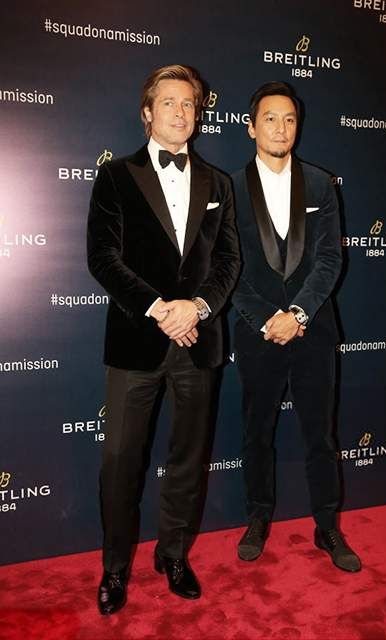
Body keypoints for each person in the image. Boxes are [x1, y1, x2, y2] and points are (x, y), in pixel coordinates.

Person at [87, 64, 240, 614]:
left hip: (199, 339)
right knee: (120, 461)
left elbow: (228, 261)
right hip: (136, 340)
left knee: (188, 459)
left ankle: (173, 554)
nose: (180, 112)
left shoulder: (219, 183)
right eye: (169, 102)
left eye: (189, 104)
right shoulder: (115, 177)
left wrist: (196, 307)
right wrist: (160, 310)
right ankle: (114, 566)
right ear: (147, 112)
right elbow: (102, 258)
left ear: (198, 115)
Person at [232, 81, 361, 573]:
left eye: (289, 119)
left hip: (314, 332)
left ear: (297, 126)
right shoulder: (228, 188)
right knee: (256, 433)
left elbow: (329, 260)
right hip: (258, 332)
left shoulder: (322, 184)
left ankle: (327, 525)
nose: (280, 127)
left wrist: (299, 314)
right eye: (269, 118)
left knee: (320, 436)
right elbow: (228, 267)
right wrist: (269, 319)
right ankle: (257, 518)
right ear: (251, 127)